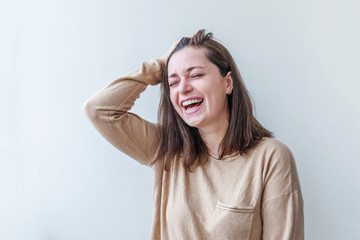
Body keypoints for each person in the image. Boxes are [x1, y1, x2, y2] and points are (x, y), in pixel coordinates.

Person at [83, 30, 304, 239]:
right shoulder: (165, 150)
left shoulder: (271, 157)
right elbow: (99, 110)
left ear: (228, 83)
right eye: (173, 82)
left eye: (195, 75)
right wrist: (159, 66)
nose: (183, 88)